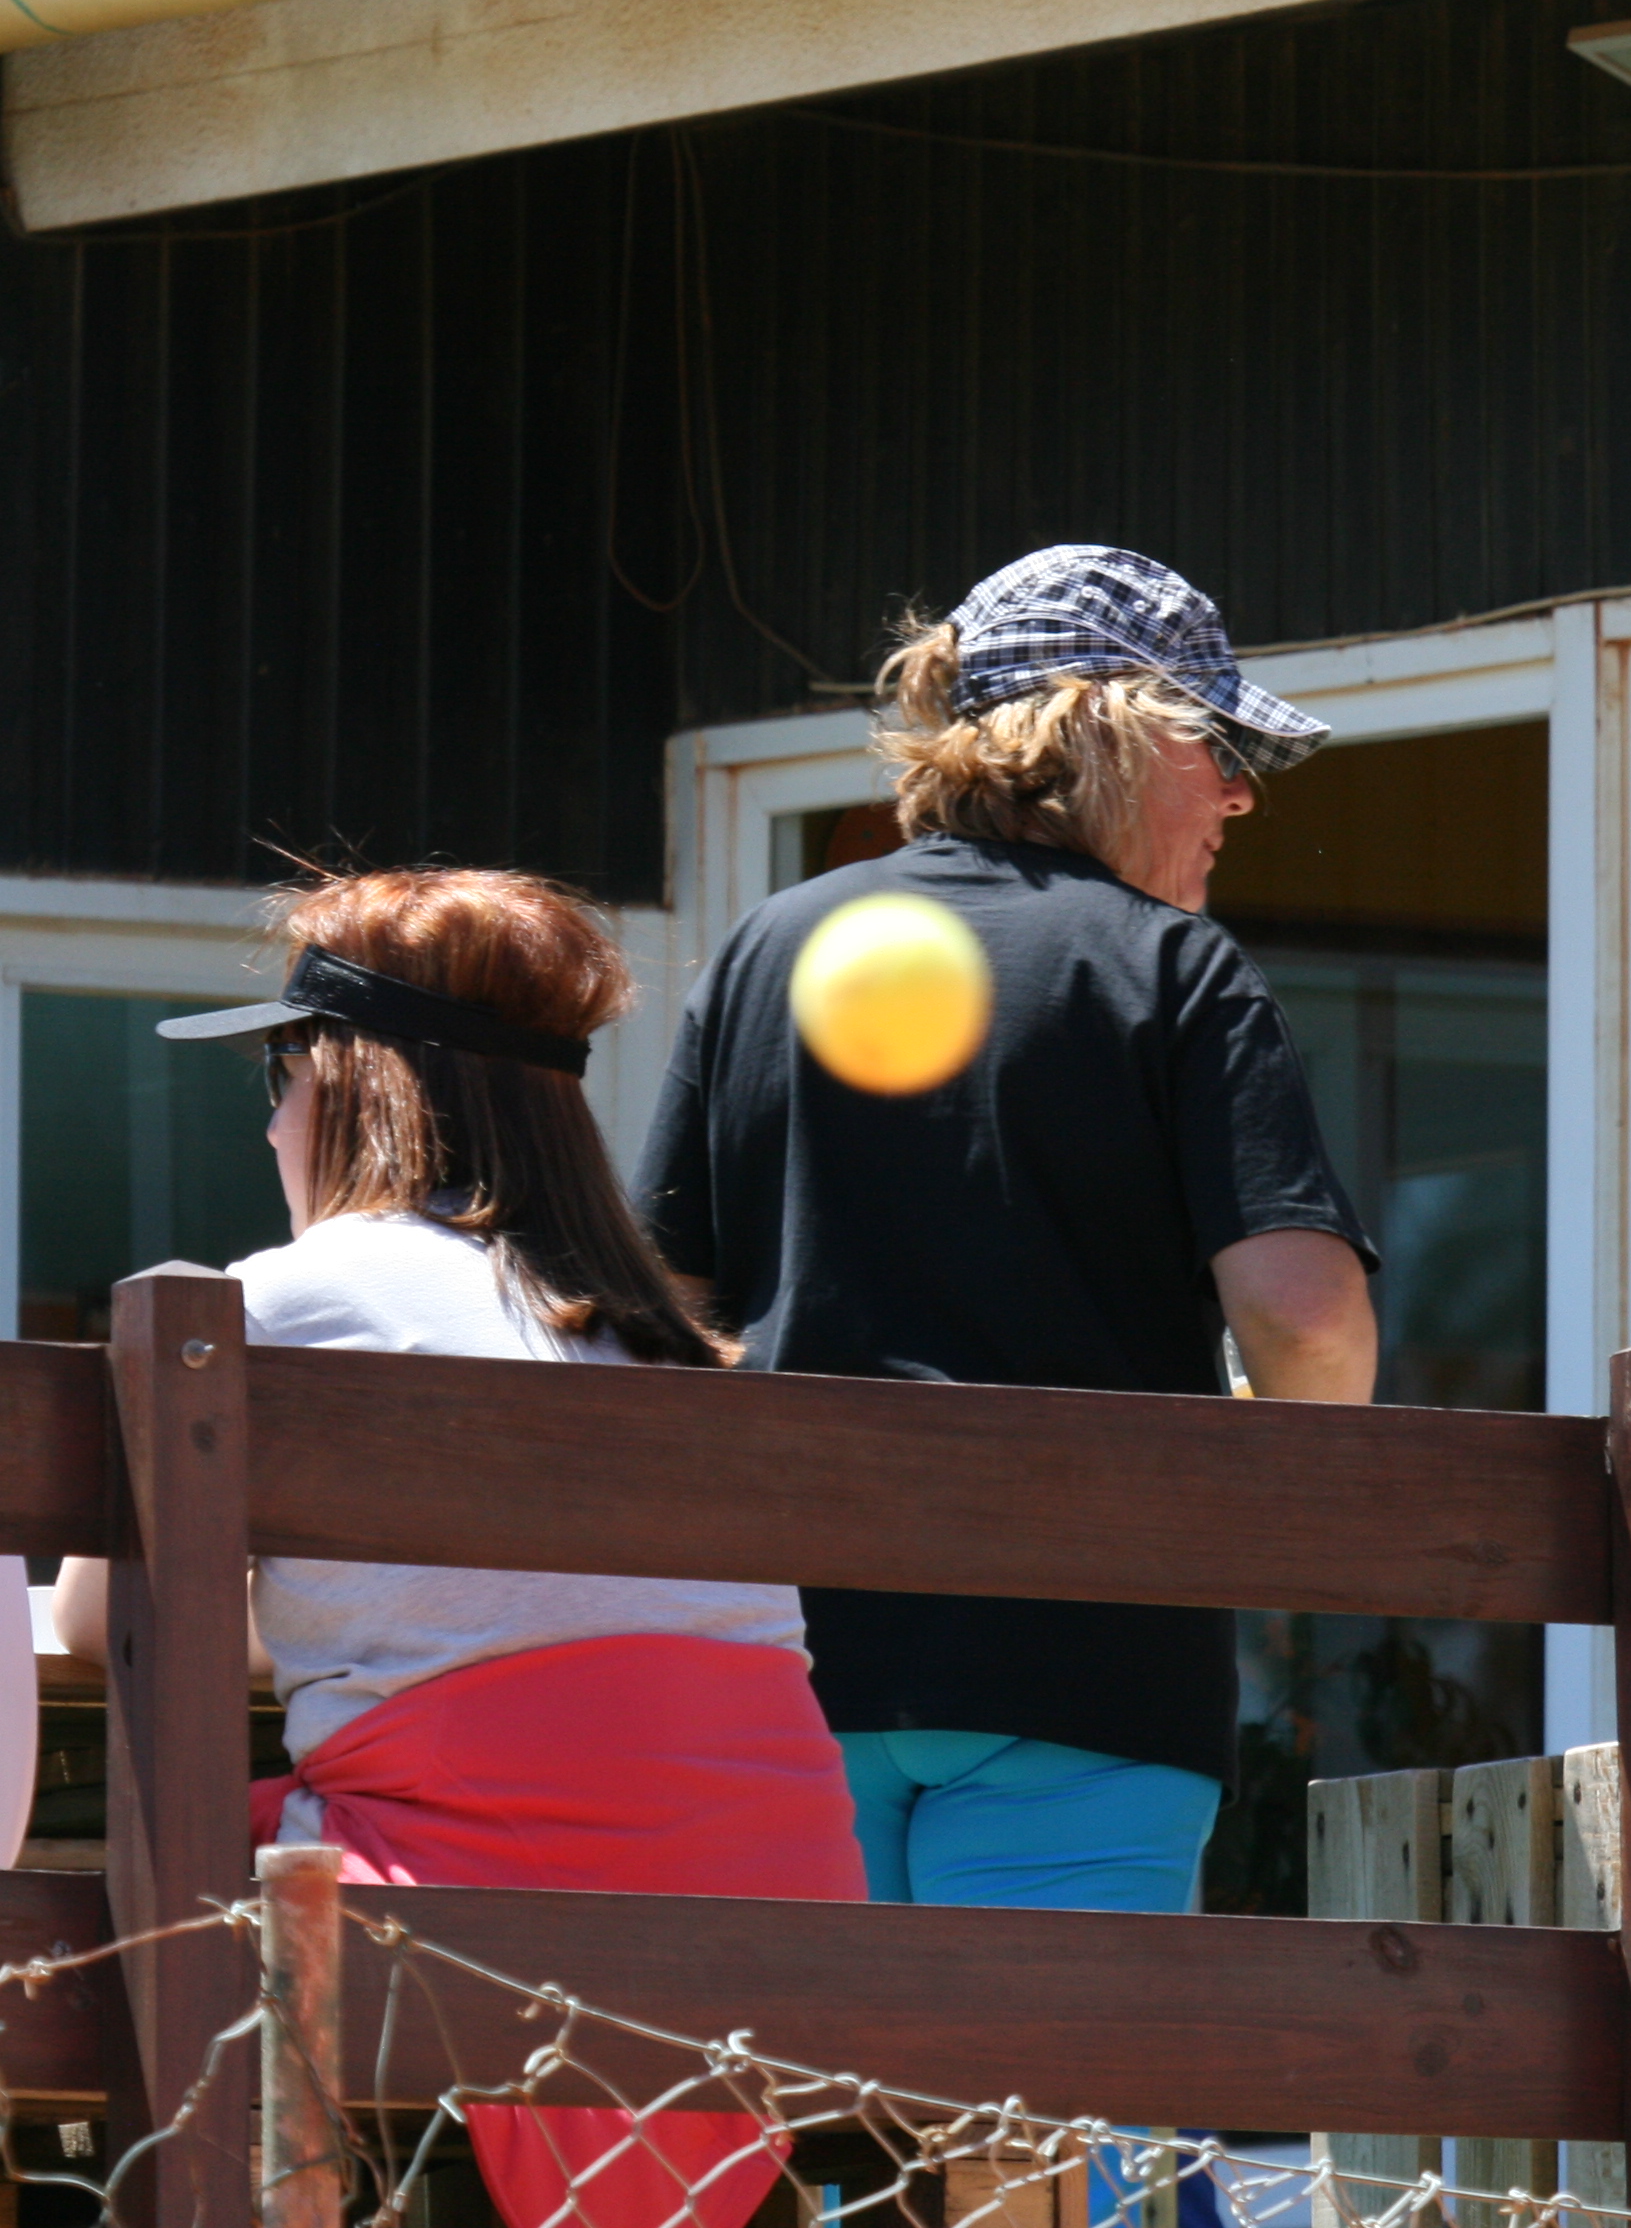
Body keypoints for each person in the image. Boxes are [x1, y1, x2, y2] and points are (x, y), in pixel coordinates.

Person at [59, 868, 864, 2228]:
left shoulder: (279, 1302)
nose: (269, 1126)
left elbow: (101, 1625)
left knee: (110, 1906)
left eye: (280, 1075)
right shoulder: (676, 1346)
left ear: (343, 1081)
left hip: (476, 1926)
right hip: (783, 1927)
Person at [634, 545, 1380, 1931]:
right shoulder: (1173, 966)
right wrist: (1291, 1492)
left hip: (794, 1660)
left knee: (817, 2067)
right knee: (1052, 2072)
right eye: (1216, 748)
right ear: (1107, 731)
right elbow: (1309, 1320)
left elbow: (662, 1313)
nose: (1240, 793)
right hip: (1089, 1665)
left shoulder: (767, 947)